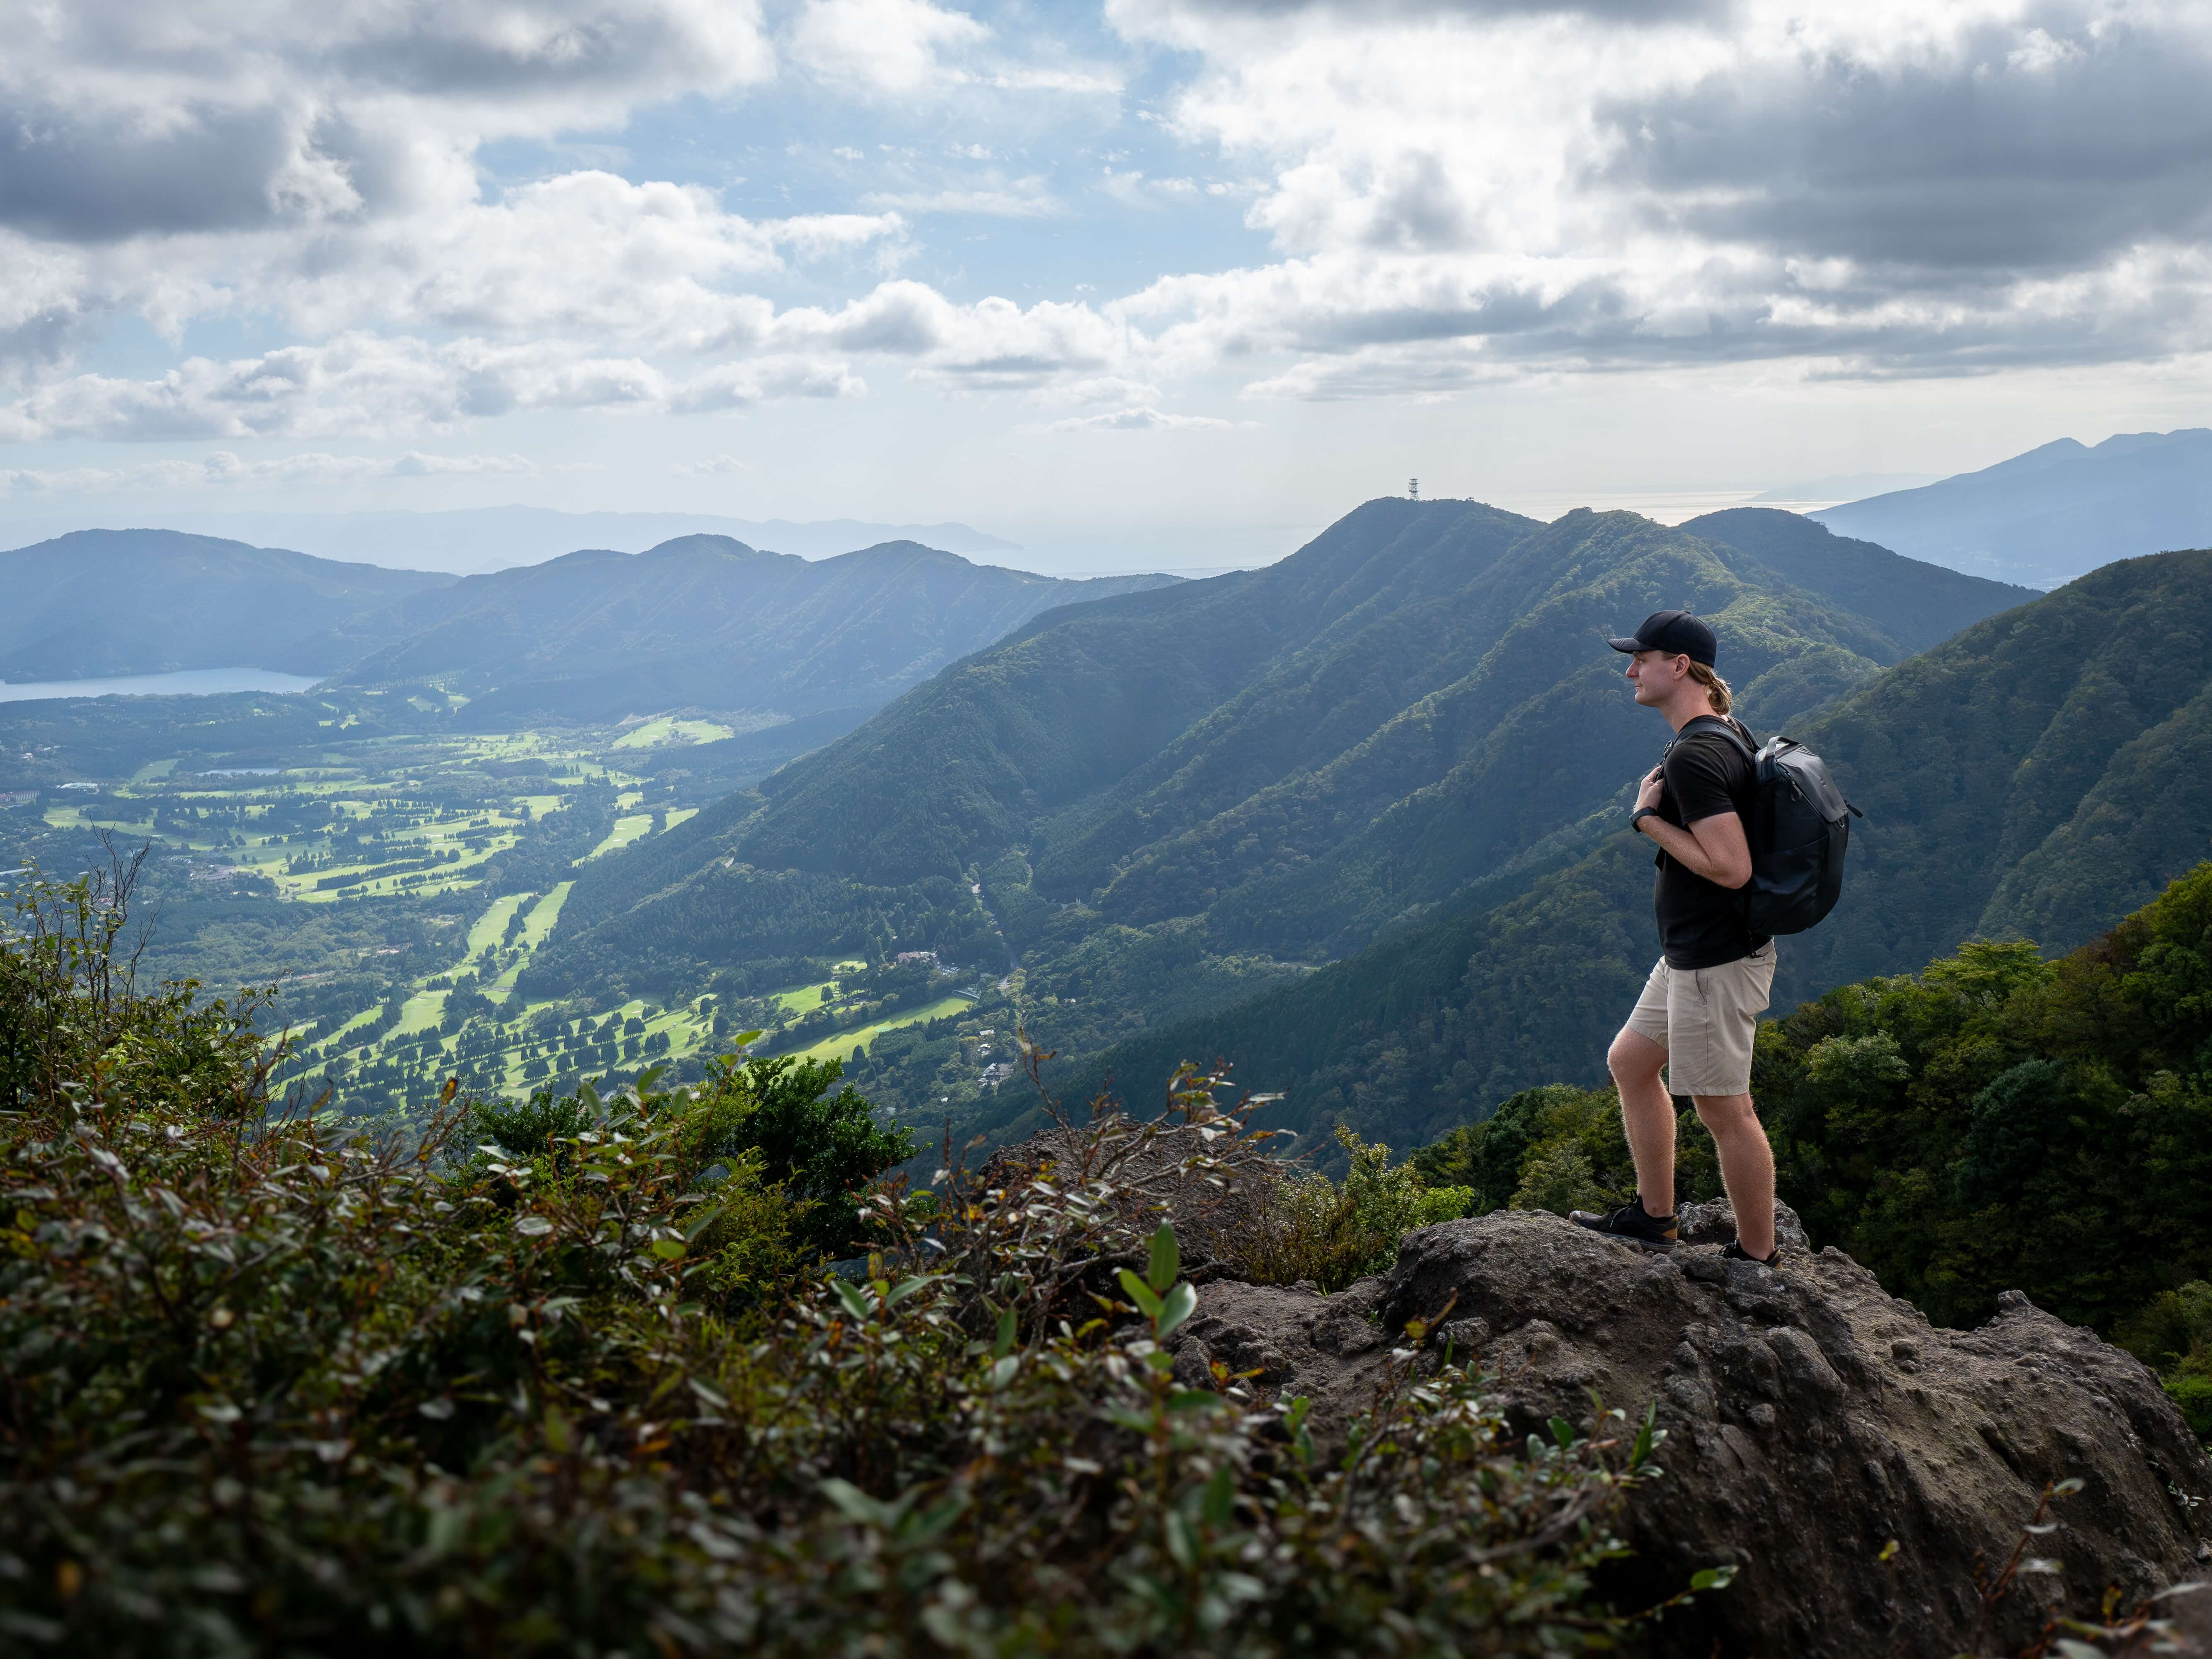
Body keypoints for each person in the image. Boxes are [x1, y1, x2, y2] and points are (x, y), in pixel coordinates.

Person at [1570, 609, 1781, 1266]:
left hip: (1715, 962)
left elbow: (1729, 867)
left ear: (1679, 667)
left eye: (1641, 658)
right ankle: (1654, 1218)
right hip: (1692, 955)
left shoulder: (1697, 753)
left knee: (1725, 1112)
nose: (1630, 670)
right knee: (1631, 1062)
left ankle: (1758, 1260)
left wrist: (1644, 820)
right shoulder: (1722, 732)